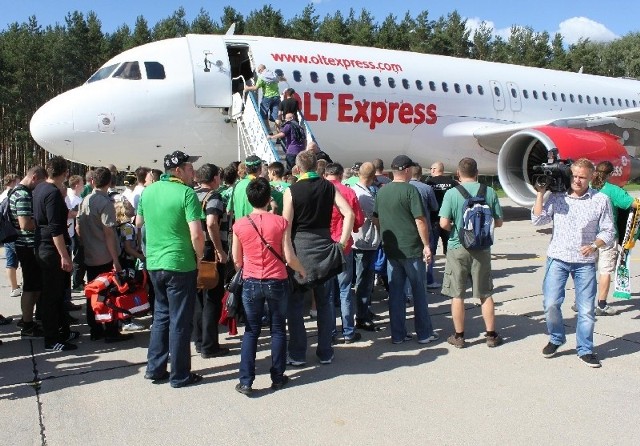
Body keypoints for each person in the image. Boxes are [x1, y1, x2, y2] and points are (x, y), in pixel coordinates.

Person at [532, 158, 615, 368]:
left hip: (584, 262)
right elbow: (538, 220)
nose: (577, 181)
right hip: (558, 258)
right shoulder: (558, 197)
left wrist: (595, 245)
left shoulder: (600, 200)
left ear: (591, 177)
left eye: (582, 177)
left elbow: (609, 231)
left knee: (586, 309)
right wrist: (541, 194)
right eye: (575, 176)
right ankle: (556, 338)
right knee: (551, 303)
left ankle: (585, 349)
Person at [136, 150, 205, 388]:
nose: (193, 172)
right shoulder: (187, 193)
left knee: (161, 316)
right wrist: (200, 256)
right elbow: (196, 233)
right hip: (180, 263)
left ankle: (154, 368)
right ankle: (180, 374)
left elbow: (138, 223)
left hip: (155, 262)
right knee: (179, 321)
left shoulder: (148, 191)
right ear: (178, 171)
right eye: (189, 168)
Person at [232, 177, 306, 395]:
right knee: (277, 329)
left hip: (251, 280)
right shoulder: (280, 222)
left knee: (251, 331)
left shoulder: (240, 224)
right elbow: (289, 257)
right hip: (277, 279)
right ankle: (277, 376)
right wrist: (302, 270)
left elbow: (237, 260)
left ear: (248, 198)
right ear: (269, 198)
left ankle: (246, 380)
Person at [283, 150, 355, 366]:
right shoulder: (329, 187)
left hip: (300, 249)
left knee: (295, 305)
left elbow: (286, 227)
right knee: (324, 303)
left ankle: (297, 353)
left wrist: (288, 253)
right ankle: (325, 351)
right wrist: (341, 243)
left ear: (297, 168)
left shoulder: (291, 191)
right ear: (317, 166)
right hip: (324, 247)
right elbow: (349, 213)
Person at [439, 158, 503, 349]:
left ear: (458, 173)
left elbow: (443, 223)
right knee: (485, 293)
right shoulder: (489, 191)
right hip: (482, 248)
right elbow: (498, 222)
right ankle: (491, 335)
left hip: (458, 247)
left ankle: (459, 336)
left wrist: (458, 230)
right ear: (477, 172)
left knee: (457, 294)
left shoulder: (452, 193)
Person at [374, 155, 438, 345]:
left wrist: (385, 234)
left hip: (392, 250)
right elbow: (420, 220)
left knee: (395, 293)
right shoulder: (410, 191)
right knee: (418, 291)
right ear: (408, 170)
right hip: (411, 248)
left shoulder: (382, 192)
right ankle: (424, 333)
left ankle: (398, 334)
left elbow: (376, 218)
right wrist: (427, 245)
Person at [77, 167, 131, 343]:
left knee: (93, 292)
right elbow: (109, 232)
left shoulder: (85, 200)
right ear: (109, 182)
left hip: (90, 254)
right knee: (108, 294)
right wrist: (115, 259)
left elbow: (78, 228)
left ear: (93, 181)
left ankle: (95, 328)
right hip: (105, 255)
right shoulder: (105, 203)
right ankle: (110, 330)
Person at [32, 157, 79, 351]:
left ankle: (62, 331)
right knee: (52, 296)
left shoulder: (40, 188)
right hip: (51, 250)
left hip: (43, 246)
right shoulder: (51, 193)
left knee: (57, 294)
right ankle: (52, 339)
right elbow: (55, 229)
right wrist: (64, 255)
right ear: (65, 173)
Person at [585, 161, 637, 316]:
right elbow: (632, 204)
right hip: (607, 237)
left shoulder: (589, 189)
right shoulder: (613, 190)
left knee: (587, 269)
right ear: (610, 174)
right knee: (605, 270)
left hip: (588, 236)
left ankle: (581, 301)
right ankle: (601, 304)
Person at [192, 163, 230, 359]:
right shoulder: (214, 197)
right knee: (213, 298)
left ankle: (199, 341)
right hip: (210, 252)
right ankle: (209, 345)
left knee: (199, 297)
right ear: (215, 178)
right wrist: (219, 250)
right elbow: (212, 222)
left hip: (195, 251)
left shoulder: (190, 194)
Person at [324, 163, 364, 343]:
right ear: (340, 175)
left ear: (325, 175)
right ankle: (348, 331)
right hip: (343, 245)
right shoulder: (348, 192)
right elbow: (358, 221)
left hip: (324, 247)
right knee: (345, 289)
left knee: (328, 292)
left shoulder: (320, 192)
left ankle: (330, 331)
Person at [7, 167, 47, 337]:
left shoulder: (16, 192)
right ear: (34, 177)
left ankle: (28, 320)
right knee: (31, 286)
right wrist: (45, 223)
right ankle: (28, 324)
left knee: (33, 285)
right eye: (39, 183)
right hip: (27, 246)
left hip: (25, 245)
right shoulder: (23, 195)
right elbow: (25, 224)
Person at [351, 162, 382, 331]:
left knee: (364, 279)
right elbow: (375, 219)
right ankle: (362, 316)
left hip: (359, 239)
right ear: (372, 177)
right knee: (364, 280)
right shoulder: (365, 196)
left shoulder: (356, 189)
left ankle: (365, 311)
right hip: (365, 241)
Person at [409, 165, 440, 288]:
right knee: (428, 254)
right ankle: (429, 280)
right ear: (420, 175)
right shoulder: (426, 188)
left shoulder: (405, 187)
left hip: (409, 228)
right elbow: (434, 207)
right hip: (425, 226)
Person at [427, 162, 458, 255]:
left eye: (431, 168)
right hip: (448, 220)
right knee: (450, 249)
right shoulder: (452, 183)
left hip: (433, 220)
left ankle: (430, 268)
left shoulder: (428, 183)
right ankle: (451, 267)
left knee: (431, 250)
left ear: (434, 170)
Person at [244, 64, 283, 133]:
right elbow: (279, 79)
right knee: (276, 117)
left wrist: (247, 88)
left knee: (263, 114)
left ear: (260, 70)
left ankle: (268, 132)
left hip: (267, 98)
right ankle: (279, 136)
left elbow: (256, 87)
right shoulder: (274, 74)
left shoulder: (262, 77)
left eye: (259, 71)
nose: (259, 73)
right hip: (277, 97)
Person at [65, 174, 85, 298]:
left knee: (78, 256)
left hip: (73, 231)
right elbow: (68, 213)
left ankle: (78, 281)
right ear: (77, 184)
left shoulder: (77, 197)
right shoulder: (71, 198)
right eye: (82, 183)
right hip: (72, 232)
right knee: (77, 257)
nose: (83, 185)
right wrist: (80, 212)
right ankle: (76, 283)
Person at [2, 174, 21, 299]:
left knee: (10, 261)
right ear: (13, 181)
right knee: (24, 260)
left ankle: (14, 287)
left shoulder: (2, 195)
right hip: (14, 231)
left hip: (5, 233)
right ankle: (24, 284)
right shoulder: (12, 195)